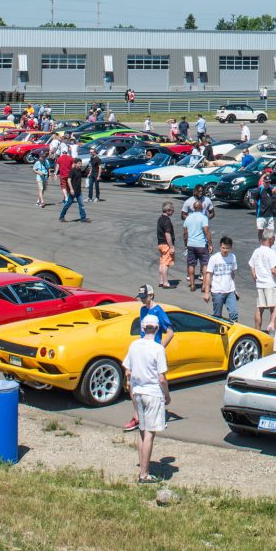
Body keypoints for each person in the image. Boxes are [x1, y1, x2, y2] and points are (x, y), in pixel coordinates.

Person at [123, 314, 171, 484]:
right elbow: (162, 378)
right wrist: (167, 395)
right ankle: (144, 474)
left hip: (137, 392)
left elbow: (127, 369)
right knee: (150, 433)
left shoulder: (134, 345)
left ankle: (143, 468)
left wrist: (130, 384)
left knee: (142, 431)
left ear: (143, 328)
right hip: (152, 393)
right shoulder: (158, 349)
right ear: (157, 329)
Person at [123, 284, 174, 432]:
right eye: (141, 297)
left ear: (151, 295)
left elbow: (170, 332)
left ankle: (159, 417)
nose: (142, 300)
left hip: (154, 351)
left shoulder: (158, 311)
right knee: (133, 380)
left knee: (158, 382)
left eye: (144, 297)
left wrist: (161, 347)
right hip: (142, 349)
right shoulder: (142, 309)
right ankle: (138, 416)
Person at [249, 229, 276, 332]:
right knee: (274, 309)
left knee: (259, 308)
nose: (274, 240)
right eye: (273, 238)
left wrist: (255, 277)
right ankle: (273, 333)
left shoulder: (256, 251)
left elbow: (252, 267)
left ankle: (257, 331)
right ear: (270, 239)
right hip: (270, 284)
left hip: (260, 284)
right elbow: (274, 270)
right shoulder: (271, 252)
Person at [203, 236, 238, 322]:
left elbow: (233, 273)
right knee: (217, 316)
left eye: (227, 248)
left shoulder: (232, 257)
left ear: (231, 248)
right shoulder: (214, 258)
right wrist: (207, 292)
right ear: (220, 247)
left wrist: (234, 289)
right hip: (217, 291)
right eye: (223, 248)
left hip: (230, 291)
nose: (225, 250)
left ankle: (233, 329)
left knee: (234, 313)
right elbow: (208, 275)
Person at [182, 200, 212, 291]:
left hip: (191, 244)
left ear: (193, 208)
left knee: (191, 264)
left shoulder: (188, 218)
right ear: (202, 208)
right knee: (205, 264)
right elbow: (206, 231)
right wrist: (210, 244)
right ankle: (204, 285)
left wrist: (186, 243)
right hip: (201, 244)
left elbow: (185, 233)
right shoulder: (203, 217)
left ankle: (192, 285)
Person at [59, 157, 90, 223]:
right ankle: (61, 217)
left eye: (81, 163)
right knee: (68, 204)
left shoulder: (80, 170)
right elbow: (69, 180)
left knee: (81, 205)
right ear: (75, 164)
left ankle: (83, 218)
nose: (80, 164)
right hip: (73, 191)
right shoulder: (72, 171)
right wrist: (71, 189)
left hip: (79, 191)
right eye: (79, 163)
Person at [156, 202, 175, 288]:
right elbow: (167, 234)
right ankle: (165, 283)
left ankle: (161, 281)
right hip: (166, 244)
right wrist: (171, 246)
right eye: (172, 209)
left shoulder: (160, 218)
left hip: (160, 243)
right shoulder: (167, 220)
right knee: (165, 264)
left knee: (162, 263)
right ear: (168, 210)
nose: (173, 211)